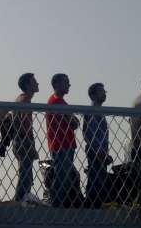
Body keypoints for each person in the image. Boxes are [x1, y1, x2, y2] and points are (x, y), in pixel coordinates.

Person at [45, 73, 79, 207]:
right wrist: (71, 118)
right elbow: (74, 122)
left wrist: (71, 119)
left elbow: (73, 121)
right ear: (57, 84)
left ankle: (60, 203)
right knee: (62, 177)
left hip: (64, 144)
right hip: (62, 144)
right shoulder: (57, 102)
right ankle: (57, 205)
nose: (69, 85)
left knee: (67, 176)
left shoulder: (57, 101)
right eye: (66, 82)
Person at [10, 73, 40, 202]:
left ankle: (21, 200)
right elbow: (24, 125)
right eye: (34, 81)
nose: (37, 83)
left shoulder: (21, 99)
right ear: (28, 85)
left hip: (20, 140)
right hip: (23, 141)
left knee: (26, 174)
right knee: (26, 175)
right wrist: (30, 145)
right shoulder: (25, 100)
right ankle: (19, 202)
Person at [83, 83, 112, 207]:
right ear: (93, 95)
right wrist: (101, 153)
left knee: (97, 180)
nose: (104, 93)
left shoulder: (97, 111)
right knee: (97, 181)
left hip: (99, 152)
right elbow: (92, 134)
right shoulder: (93, 112)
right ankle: (94, 206)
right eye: (101, 91)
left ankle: (94, 205)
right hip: (96, 152)